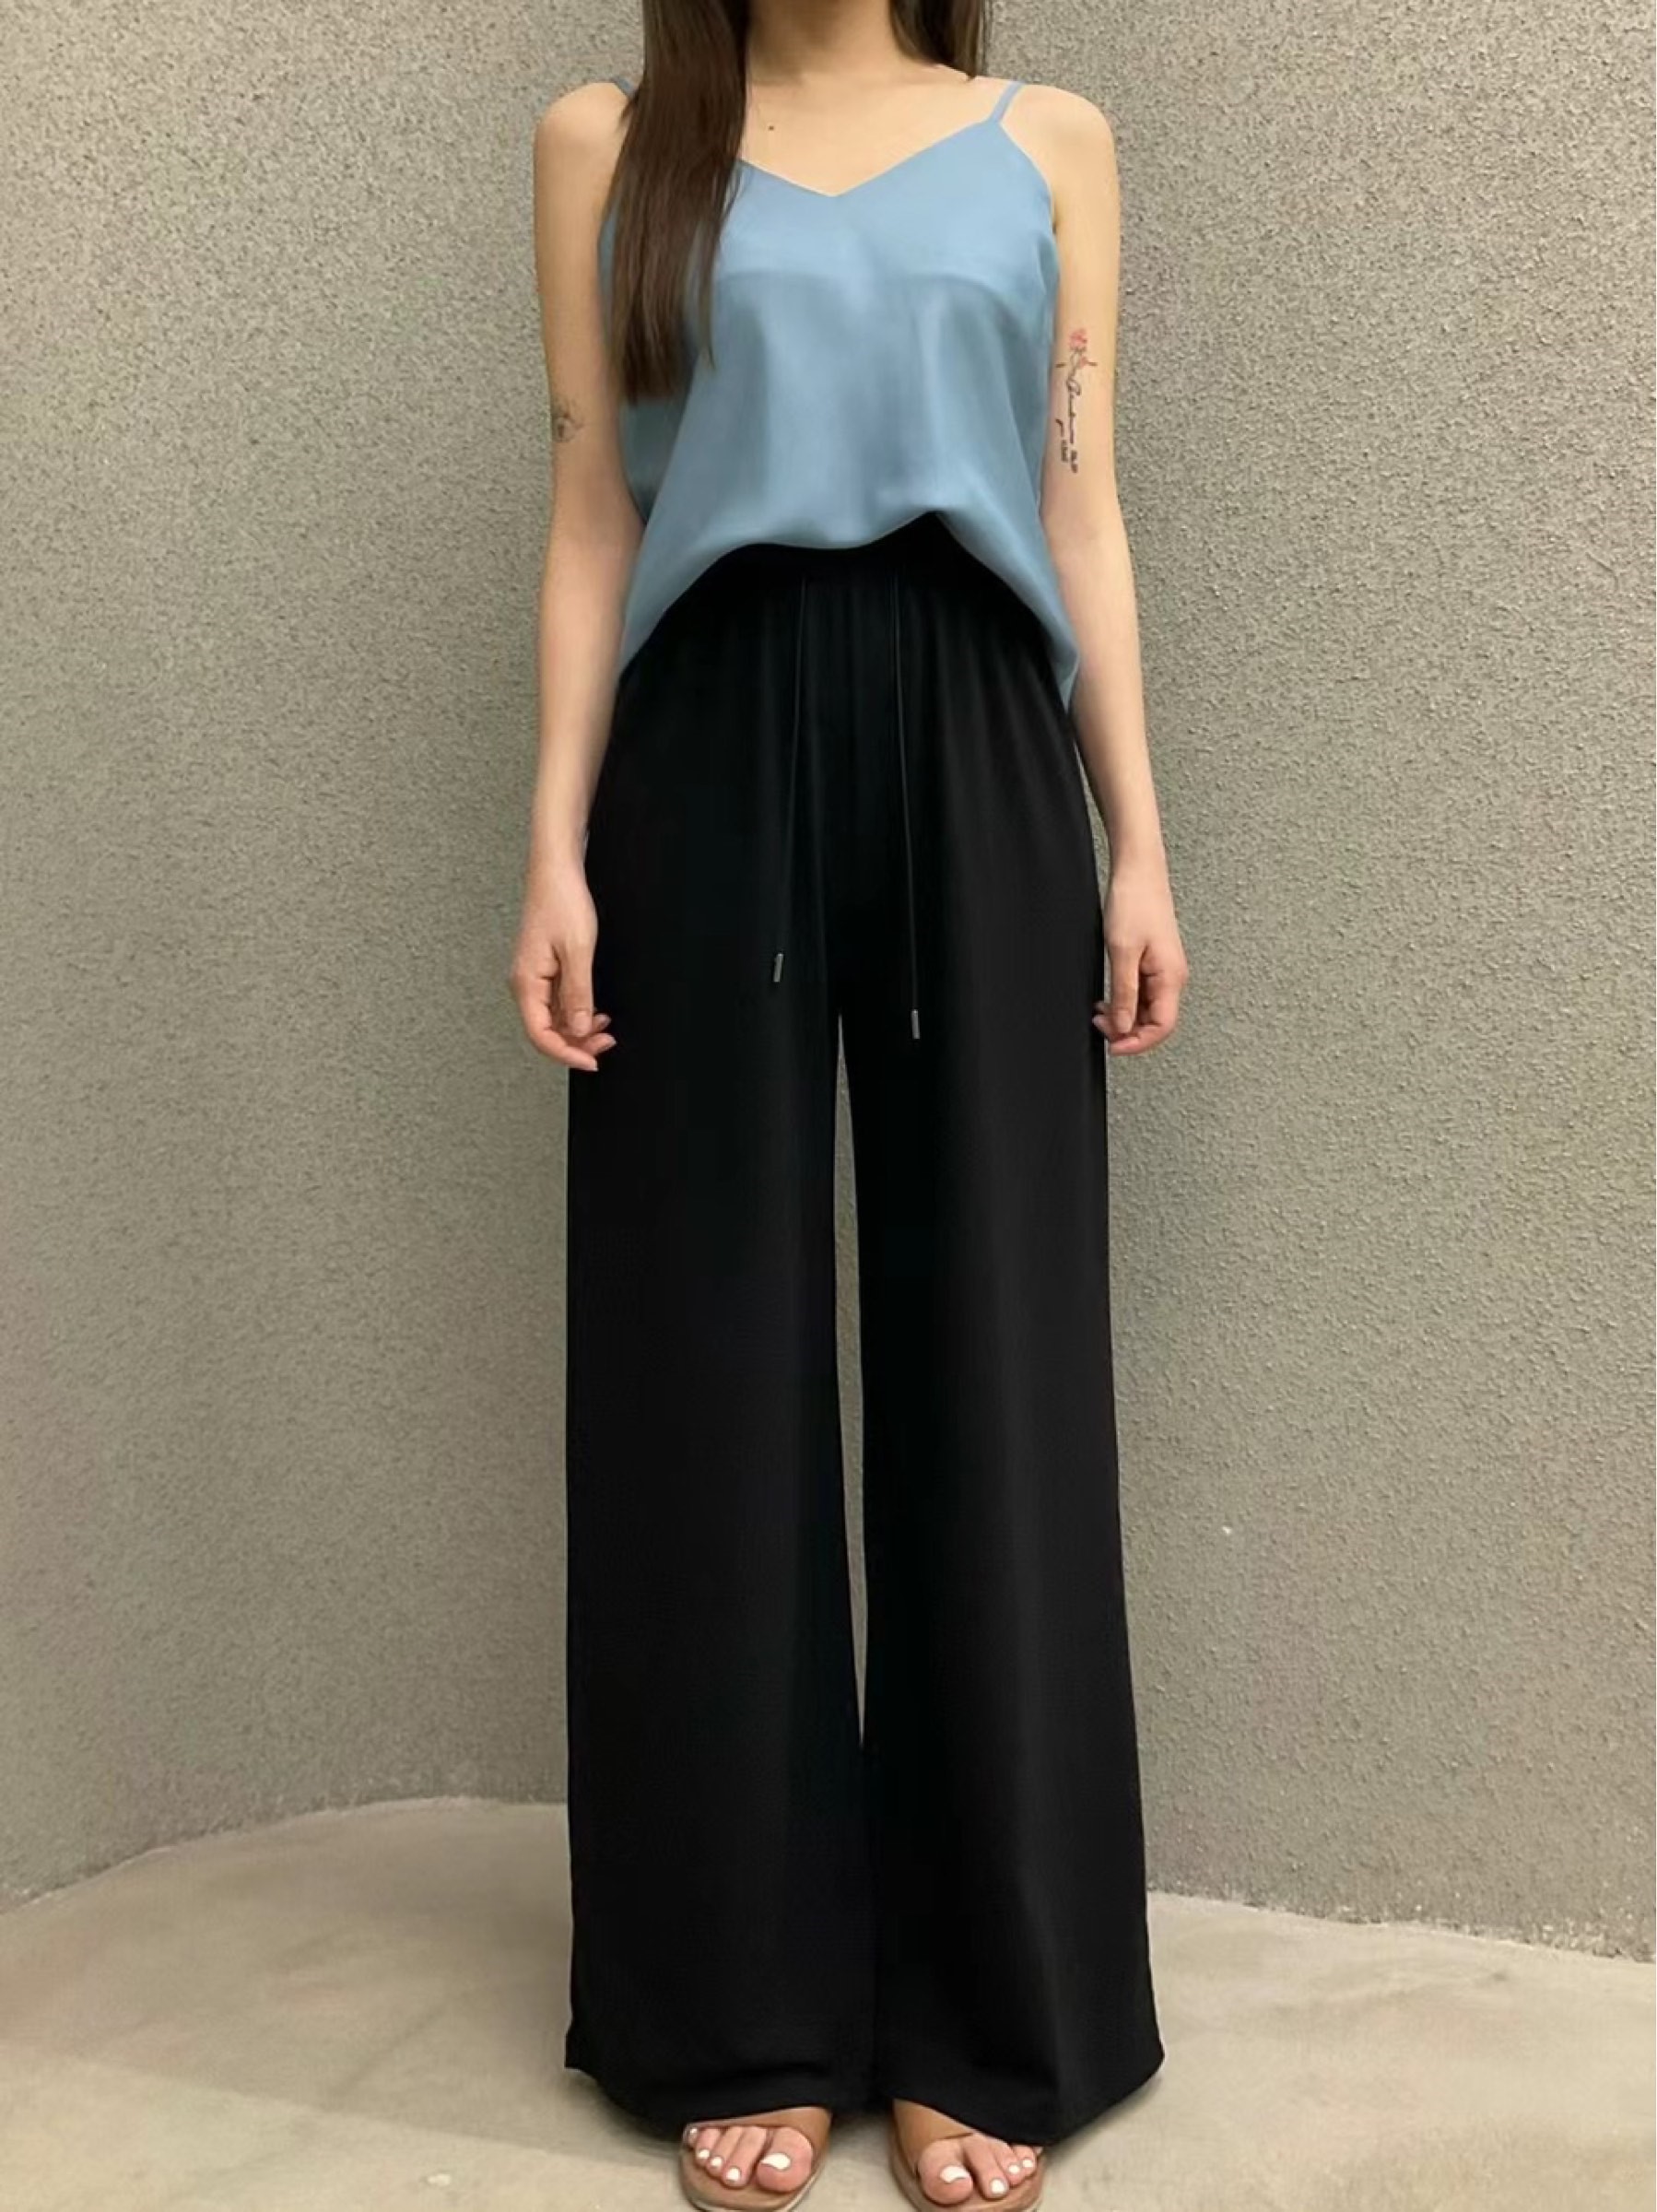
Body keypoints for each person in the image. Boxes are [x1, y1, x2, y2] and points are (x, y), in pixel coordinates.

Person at [517, 3, 1189, 2206]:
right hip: (704, 740)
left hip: (977, 728)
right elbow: (592, 509)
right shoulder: (609, 141)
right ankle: (741, 1998)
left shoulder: (1047, 143)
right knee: (699, 1356)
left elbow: (1075, 505)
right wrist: (552, 844)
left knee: (995, 1344)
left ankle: (991, 2005)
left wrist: (1138, 844)